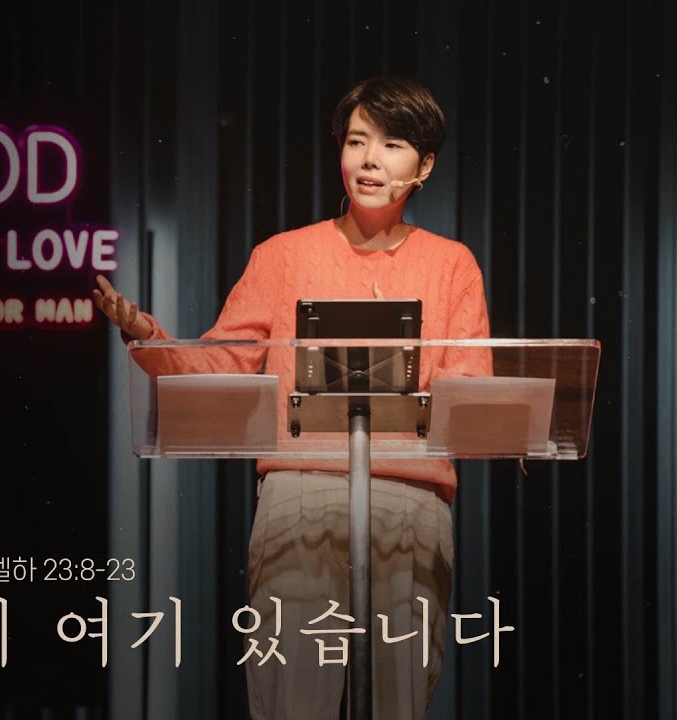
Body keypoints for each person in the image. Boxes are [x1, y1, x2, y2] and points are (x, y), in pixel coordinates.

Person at [92, 76, 490, 719]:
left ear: (424, 166)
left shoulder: (452, 265)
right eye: (357, 141)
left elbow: (467, 387)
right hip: (300, 496)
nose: (369, 160)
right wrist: (148, 334)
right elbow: (223, 363)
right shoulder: (282, 256)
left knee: (398, 701)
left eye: (392, 145)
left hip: (408, 499)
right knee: (291, 700)